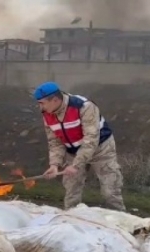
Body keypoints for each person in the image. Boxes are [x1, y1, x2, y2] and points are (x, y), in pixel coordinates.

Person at [34, 81, 125, 211]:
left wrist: (76, 165)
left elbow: (91, 140)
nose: (40, 107)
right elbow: (55, 142)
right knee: (71, 192)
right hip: (73, 151)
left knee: (110, 192)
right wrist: (54, 165)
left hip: (101, 149)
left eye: (41, 103)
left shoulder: (84, 107)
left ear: (54, 100)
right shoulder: (47, 115)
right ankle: (71, 221)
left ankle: (120, 222)